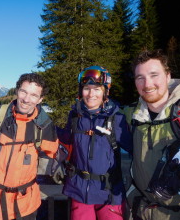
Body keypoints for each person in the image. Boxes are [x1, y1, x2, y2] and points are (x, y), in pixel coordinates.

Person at [0, 73, 59, 220]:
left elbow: (53, 151)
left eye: (33, 95)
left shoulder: (44, 125)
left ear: (40, 99)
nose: (26, 99)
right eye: (23, 92)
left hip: (24, 203)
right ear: (17, 91)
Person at [123, 49, 180, 220]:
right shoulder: (130, 115)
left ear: (168, 76)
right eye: (140, 78)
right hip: (144, 210)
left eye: (154, 75)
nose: (147, 84)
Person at [55, 66, 132, 220]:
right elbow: (68, 139)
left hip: (109, 193)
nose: (91, 94)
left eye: (97, 89)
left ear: (105, 91)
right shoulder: (75, 115)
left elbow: (135, 148)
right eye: (86, 88)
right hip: (79, 190)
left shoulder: (116, 118)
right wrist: (45, 126)